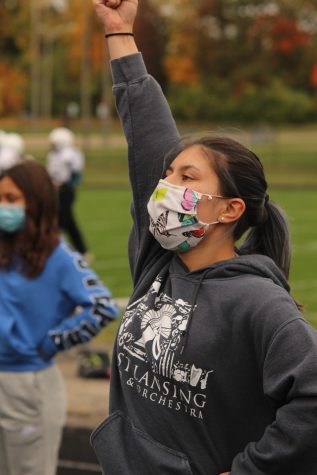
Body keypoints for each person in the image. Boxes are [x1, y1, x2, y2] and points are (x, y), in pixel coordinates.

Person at [91, 1, 317, 475]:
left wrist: (251, 470)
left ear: (231, 210)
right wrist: (119, 32)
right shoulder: (157, 261)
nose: (167, 187)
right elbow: (149, 135)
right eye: (168, 174)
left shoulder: (259, 302)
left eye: (187, 178)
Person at [0, 160, 119, 475]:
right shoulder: (4, 250)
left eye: (11, 199)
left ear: (35, 202)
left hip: (29, 385)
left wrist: (52, 343)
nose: (3, 207)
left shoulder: (59, 255)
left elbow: (102, 306)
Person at [47, 126, 89, 257]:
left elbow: (76, 174)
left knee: (62, 219)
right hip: (56, 190)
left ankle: (53, 248)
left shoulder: (70, 154)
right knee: (69, 221)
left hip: (66, 190)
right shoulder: (54, 154)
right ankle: (83, 250)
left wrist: (67, 184)